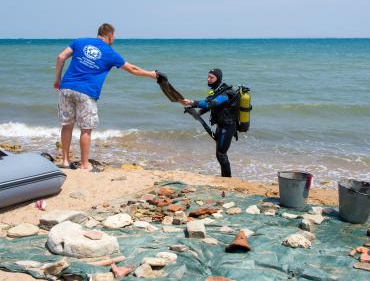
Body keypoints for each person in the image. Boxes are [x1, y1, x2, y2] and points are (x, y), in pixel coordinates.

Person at [54, 23, 157, 171]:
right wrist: (151, 74)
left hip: (66, 88)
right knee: (86, 129)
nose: (113, 40)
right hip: (86, 92)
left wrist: (57, 80)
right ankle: (84, 164)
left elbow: (60, 57)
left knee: (67, 125)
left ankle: (64, 161)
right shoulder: (110, 52)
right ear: (109, 36)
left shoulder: (80, 42)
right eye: (113, 37)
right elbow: (132, 69)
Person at [179, 69, 238, 177]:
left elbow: (212, 104)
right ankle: (225, 178)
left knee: (221, 154)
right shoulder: (217, 91)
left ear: (218, 79)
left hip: (228, 127)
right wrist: (197, 112)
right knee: (219, 154)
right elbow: (208, 105)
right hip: (221, 125)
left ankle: (228, 180)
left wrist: (192, 102)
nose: (208, 79)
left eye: (211, 77)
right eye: (208, 77)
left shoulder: (226, 93)